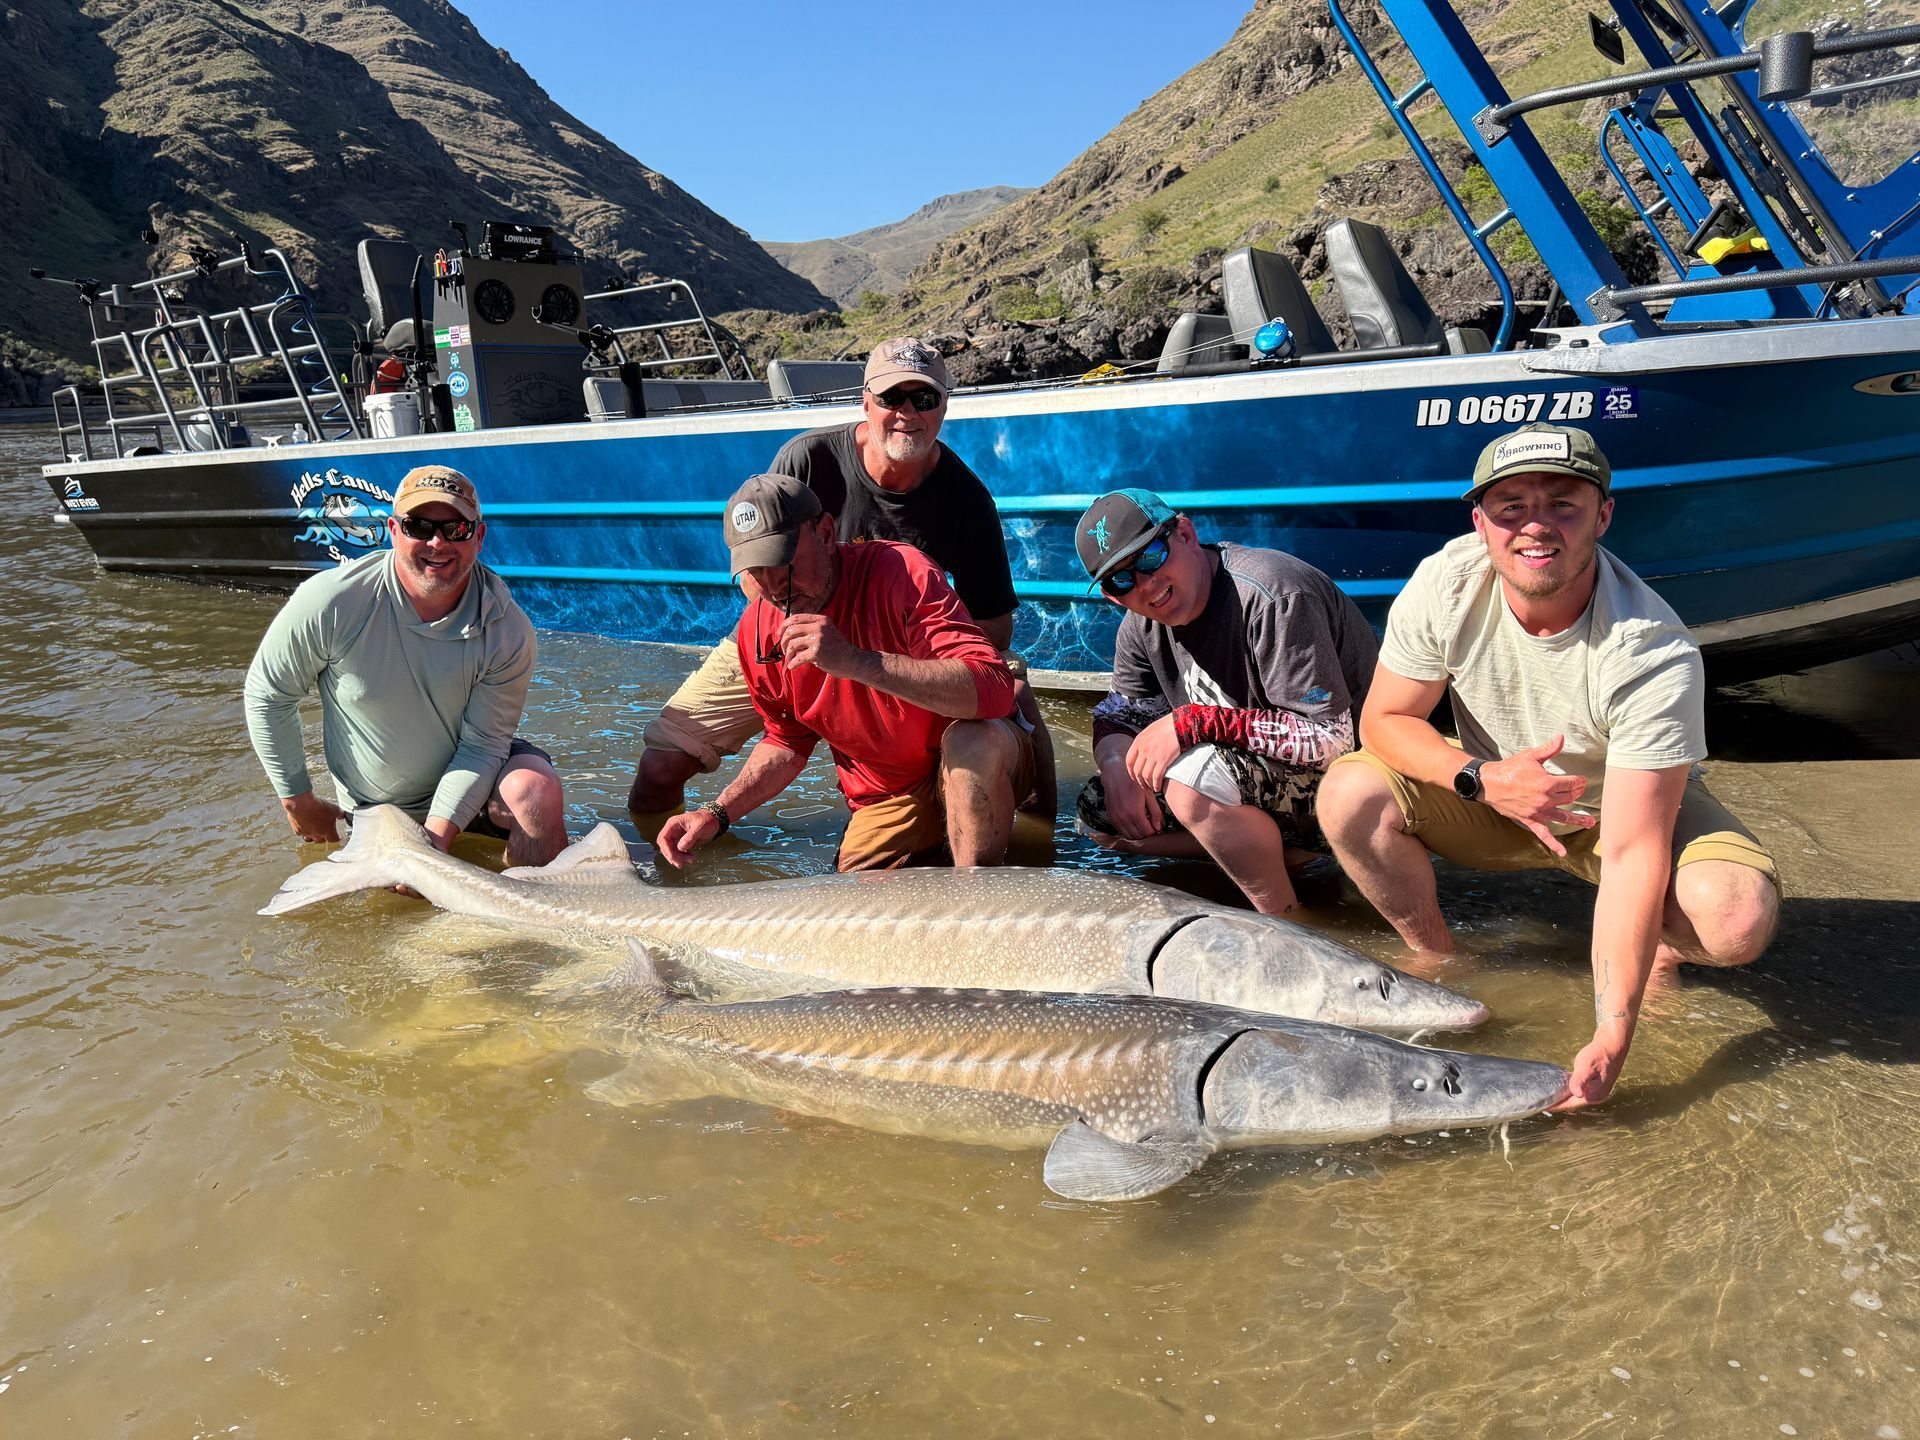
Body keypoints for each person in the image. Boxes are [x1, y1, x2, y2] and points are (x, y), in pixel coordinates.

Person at [1314, 422, 1780, 1110]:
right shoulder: (1446, 581)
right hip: (1494, 796)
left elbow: (1633, 851)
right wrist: (1481, 778)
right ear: (1481, 522)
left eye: (1563, 504)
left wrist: (1612, 1031)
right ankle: (1436, 955)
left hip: (1612, 814)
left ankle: (1659, 950)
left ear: (1603, 515)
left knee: (1734, 915)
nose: (1535, 526)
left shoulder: (1653, 651)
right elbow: (1384, 720)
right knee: (1348, 792)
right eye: (1512, 507)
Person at [630, 336, 1054, 815]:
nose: (907, 412)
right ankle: (662, 854)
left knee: (1012, 691)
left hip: (891, 651)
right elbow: (755, 574)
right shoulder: (808, 459)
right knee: (660, 766)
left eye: (924, 398)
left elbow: (995, 628)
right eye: (891, 397)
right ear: (865, 401)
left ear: (944, 406)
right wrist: (814, 642)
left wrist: (871, 660)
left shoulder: (968, 499)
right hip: (787, 634)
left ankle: (1041, 843)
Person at [655, 472, 1033, 872]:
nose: (773, 585)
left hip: (975, 755)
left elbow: (993, 687)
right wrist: (717, 813)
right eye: (756, 570)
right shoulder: (757, 630)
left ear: (825, 532)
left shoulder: (901, 570)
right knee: (849, 896)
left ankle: (977, 893)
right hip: (888, 795)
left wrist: (856, 661)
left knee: (972, 743)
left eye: (782, 560)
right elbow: (786, 742)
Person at [244, 464, 568, 867]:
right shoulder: (332, 601)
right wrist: (297, 800)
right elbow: (269, 695)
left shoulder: (508, 629)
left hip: (475, 791)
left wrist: (433, 843)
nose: (437, 542)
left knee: (535, 790)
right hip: (376, 810)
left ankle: (533, 903)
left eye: (456, 529)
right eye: (419, 526)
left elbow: (483, 746)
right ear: (394, 531)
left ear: (479, 537)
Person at [1073, 489, 1378, 916]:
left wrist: (1194, 723)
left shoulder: (1273, 595)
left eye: (1150, 557)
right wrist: (1114, 764)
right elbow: (1119, 712)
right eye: (1120, 580)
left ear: (1185, 534)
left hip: (1359, 787)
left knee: (1191, 780)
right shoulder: (1139, 626)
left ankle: (1286, 919)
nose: (1144, 583)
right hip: (1258, 782)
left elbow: (1332, 740)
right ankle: (1267, 852)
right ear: (1110, 595)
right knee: (1099, 810)